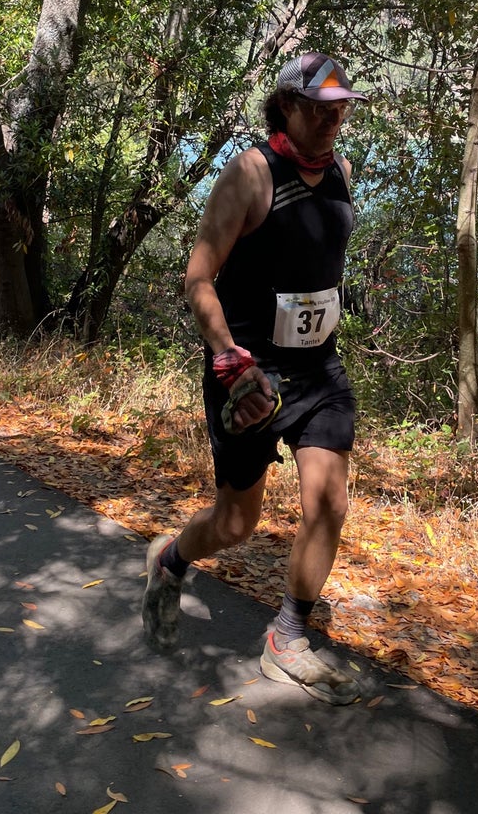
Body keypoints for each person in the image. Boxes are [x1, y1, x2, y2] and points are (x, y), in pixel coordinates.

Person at [142, 51, 368, 705]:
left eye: (341, 109)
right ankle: (172, 561)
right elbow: (198, 276)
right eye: (320, 110)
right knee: (236, 524)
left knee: (329, 502)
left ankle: (288, 636)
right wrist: (227, 355)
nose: (333, 121)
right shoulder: (249, 173)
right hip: (248, 373)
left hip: (318, 367)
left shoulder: (342, 174)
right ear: (288, 107)